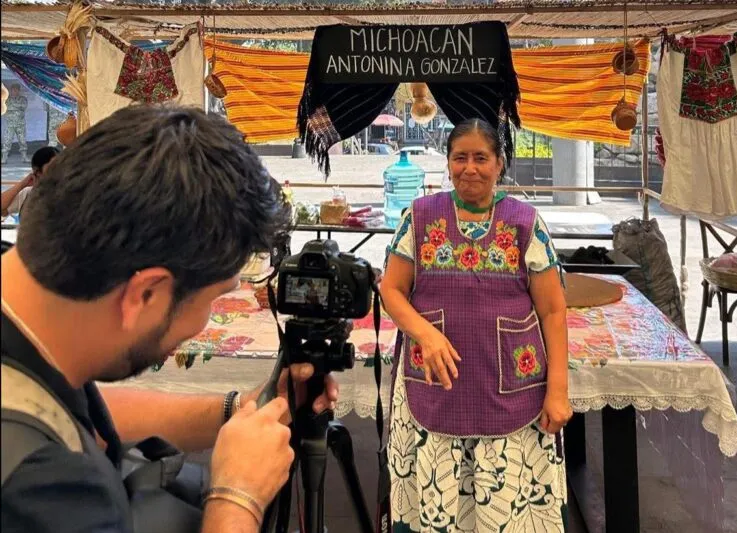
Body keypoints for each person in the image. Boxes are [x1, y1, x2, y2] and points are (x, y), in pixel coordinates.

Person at [1, 106, 339, 533]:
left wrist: (238, 410)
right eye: (214, 297)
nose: (206, 320)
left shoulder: (27, 306)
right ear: (146, 294)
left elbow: (78, 410)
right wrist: (237, 498)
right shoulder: (41, 489)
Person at [380, 118, 572, 532]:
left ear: (499, 164)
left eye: (481, 158)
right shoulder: (419, 217)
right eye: (460, 157)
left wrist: (558, 391)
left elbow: (554, 311)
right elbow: (391, 290)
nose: (470, 168)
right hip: (432, 386)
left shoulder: (525, 223)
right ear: (448, 164)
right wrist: (426, 334)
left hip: (513, 395)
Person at [1, 146, 60, 221]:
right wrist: (22, 184)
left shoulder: (69, 193)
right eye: (53, 166)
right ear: (38, 172)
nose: (59, 170)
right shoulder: (28, 193)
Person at [1, 84, 29, 164]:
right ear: (10, 90)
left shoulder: (23, 99)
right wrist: (17, 107)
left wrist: (11, 107)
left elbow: (24, 106)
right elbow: (5, 108)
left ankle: (24, 157)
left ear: (19, 91)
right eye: (13, 89)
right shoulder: (6, 99)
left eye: (16, 90)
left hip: (21, 124)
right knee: (7, 141)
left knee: (22, 141)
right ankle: (4, 158)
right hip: (10, 125)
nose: (14, 91)